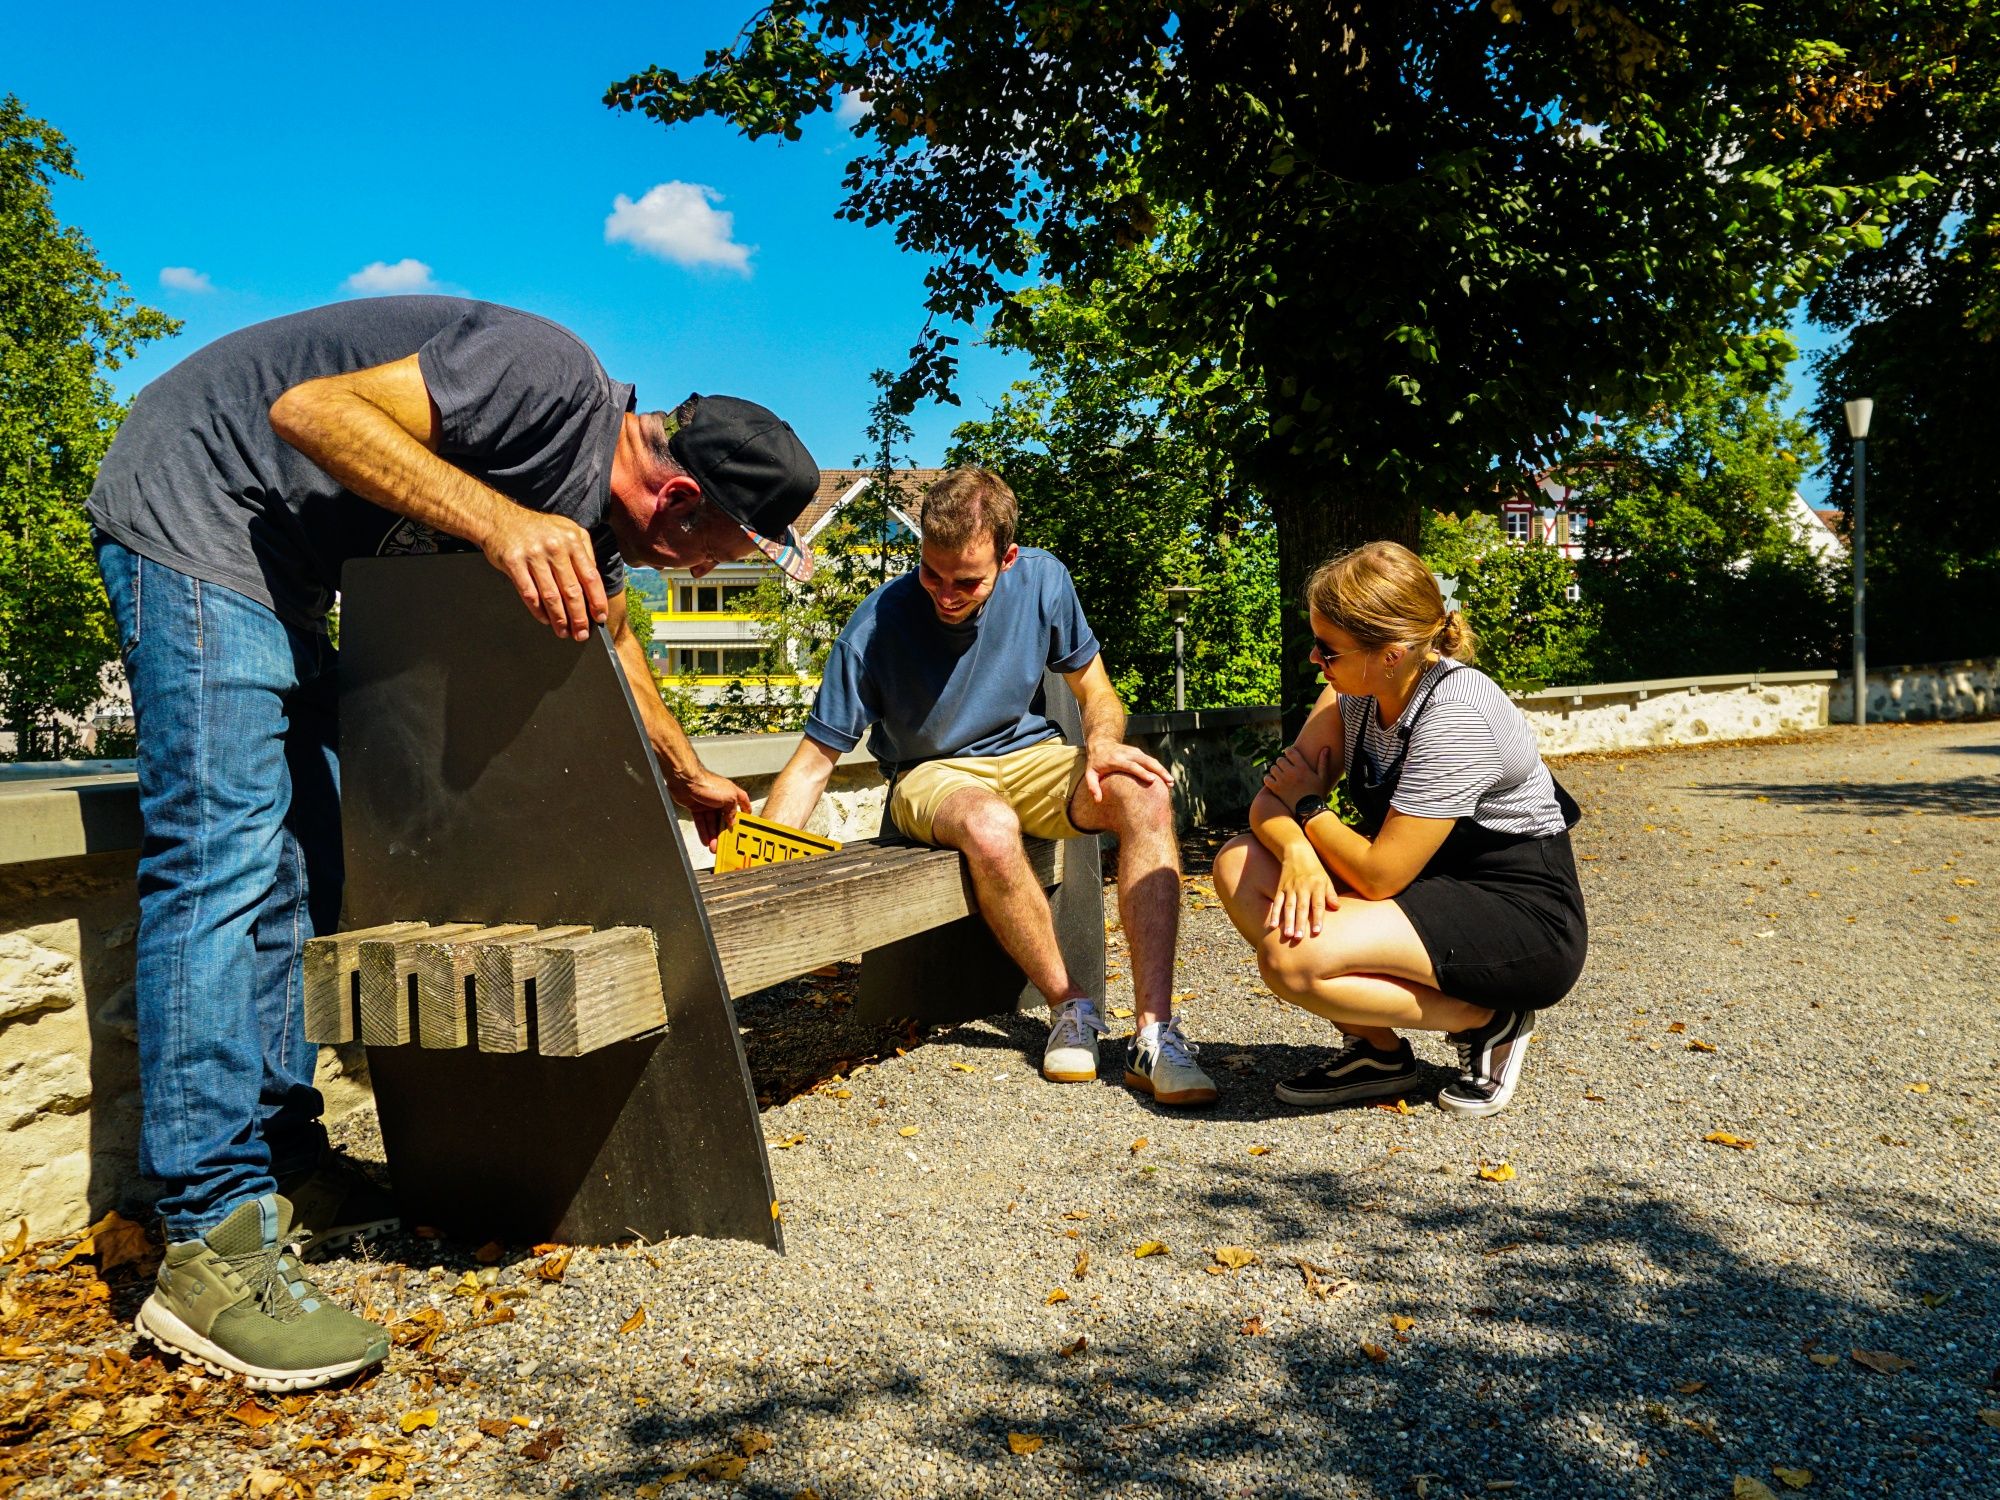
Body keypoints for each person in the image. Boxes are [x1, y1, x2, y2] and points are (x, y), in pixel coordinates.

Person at [86, 295, 820, 1389]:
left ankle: (286, 1162)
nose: (714, 571)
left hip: (282, 573)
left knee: (305, 861)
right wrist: (494, 522)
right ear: (678, 499)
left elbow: (610, 632)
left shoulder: (586, 500)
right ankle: (208, 1247)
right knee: (221, 863)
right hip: (198, 511)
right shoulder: (545, 375)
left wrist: (685, 775)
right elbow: (310, 409)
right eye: (729, 545)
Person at [759, 468, 1218, 1107]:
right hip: (930, 774)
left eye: (967, 581)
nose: (945, 594)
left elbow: (1096, 690)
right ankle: (1070, 1006)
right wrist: (761, 872)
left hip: (1030, 755)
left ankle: (1155, 1035)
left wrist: (1107, 744)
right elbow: (813, 764)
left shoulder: (1043, 579)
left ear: (1008, 558)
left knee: (1145, 793)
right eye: (931, 573)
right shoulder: (878, 625)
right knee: (990, 824)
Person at [1212, 541, 1586, 1118]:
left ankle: (1491, 1017)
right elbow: (1268, 805)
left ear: (1391, 653)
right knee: (1238, 862)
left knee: (1293, 961)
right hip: (1423, 887)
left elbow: (1379, 872)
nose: (1316, 660)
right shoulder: (1350, 693)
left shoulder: (1457, 714)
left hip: (1516, 913)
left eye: (1329, 650)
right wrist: (1297, 851)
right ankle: (1376, 1053)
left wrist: (1310, 812)